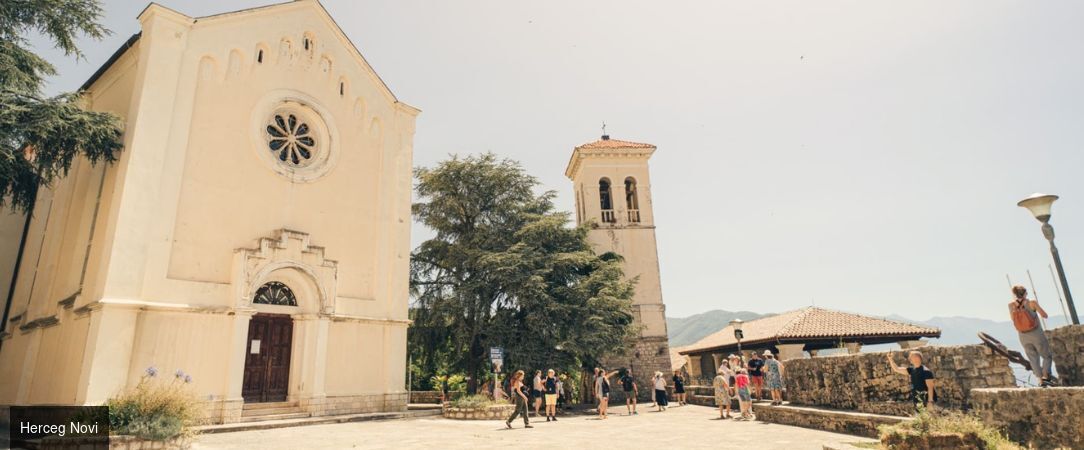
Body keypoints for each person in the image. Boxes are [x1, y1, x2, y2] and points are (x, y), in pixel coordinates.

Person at [1009, 285, 1056, 387]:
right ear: (1025, 293)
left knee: (1033, 358)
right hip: (1036, 334)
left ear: (1015, 294)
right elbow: (1045, 315)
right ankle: (1045, 377)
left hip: (1022, 336)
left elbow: (1013, 319)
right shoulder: (1032, 303)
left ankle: (1040, 381)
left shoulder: (1011, 305)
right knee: (1047, 356)